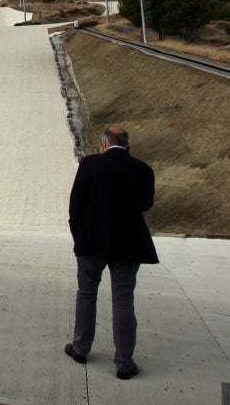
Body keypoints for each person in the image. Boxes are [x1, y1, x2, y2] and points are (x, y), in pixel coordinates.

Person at [64, 125, 158, 380]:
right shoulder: (142, 170)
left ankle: (81, 348)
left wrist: (79, 237)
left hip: (92, 244)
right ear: (127, 145)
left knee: (86, 294)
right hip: (128, 244)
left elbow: (75, 207)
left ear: (104, 144)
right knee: (123, 300)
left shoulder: (90, 165)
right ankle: (124, 363)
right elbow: (145, 204)